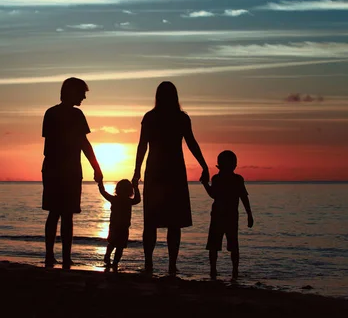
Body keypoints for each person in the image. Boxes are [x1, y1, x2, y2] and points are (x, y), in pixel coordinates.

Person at [132, 81, 209, 274]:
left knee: (153, 221)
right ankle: (170, 264)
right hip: (172, 171)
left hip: (158, 172)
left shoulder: (152, 117)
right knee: (171, 222)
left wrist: (137, 171)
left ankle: (151, 263)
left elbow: (143, 145)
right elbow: (191, 142)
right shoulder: (178, 118)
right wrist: (204, 165)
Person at [42, 77, 103, 269]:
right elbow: (82, 143)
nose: (84, 97)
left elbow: (81, 143)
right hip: (62, 169)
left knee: (59, 214)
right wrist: (96, 168)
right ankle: (58, 256)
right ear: (71, 92)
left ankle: (55, 256)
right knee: (62, 214)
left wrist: (96, 167)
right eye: (81, 93)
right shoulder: (69, 115)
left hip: (59, 168)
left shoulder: (54, 113)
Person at [201, 150, 254, 280]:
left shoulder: (225, 179)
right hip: (226, 216)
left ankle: (219, 270)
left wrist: (205, 184)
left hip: (222, 216)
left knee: (221, 246)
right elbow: (243, 198)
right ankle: (229, 271)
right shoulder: (230, 179)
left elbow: (242, 197)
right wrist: (249, 214)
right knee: (228, 246)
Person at [98, 179, 141, 271]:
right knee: (118, 246)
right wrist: (136, 187)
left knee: (114, 244)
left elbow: (103, 192)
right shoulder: (126, 201)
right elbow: (138, 199)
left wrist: (100, 183)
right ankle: (113, 262)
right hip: (121, 227)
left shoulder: (116, 199)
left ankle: (111, 259)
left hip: (119, 227)